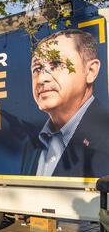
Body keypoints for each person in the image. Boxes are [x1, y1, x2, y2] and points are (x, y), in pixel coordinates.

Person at [21, 29, 109, 177]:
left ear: (91, 71)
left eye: (56, 64)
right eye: (37, 68)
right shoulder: (31, 145)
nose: (42, 78)